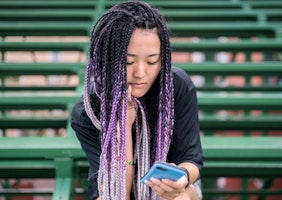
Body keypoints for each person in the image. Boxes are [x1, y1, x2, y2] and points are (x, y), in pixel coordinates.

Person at [71, 1, 203, 199]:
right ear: (109, 59)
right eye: (128, 62)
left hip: (170, 191)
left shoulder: (176, 86)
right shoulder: (89, 110)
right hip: (111, 188)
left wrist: (182, 177)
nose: (140, 73)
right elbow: (116, 195)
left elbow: (191, 160)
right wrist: (123, 127)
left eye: (152, 61)